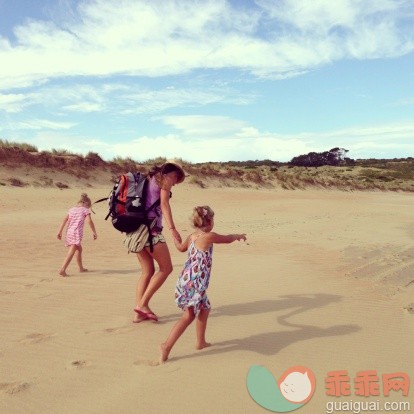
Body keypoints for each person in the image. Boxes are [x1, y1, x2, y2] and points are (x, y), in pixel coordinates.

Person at [160, 205, 246, 363]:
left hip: (187, 280)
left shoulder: (192, 236)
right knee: (189, 315)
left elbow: (180, 248)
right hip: (194, 283)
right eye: (213, 219)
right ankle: (166, 345)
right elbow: (226, 239)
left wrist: (176, 238)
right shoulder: (209, 236)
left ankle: (200, 342)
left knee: (205, 308)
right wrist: (238, 235)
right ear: (209, 221)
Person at [133, 160, 186, 323]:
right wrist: (172, 229)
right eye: (177, 178)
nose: (175, 183)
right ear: (174, 173)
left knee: (147, 271)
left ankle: (138, 313)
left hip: (135, 228)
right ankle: (142, 305)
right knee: (166, 268)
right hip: (151, 229)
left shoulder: (149, 177)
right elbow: (164, 204)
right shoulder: (166, 179)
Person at [57, 193, 97, 276]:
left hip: (69, 232)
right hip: (76, 233)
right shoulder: (85, 210)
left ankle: (81, 268)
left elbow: (64, 220)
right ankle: (62, 269)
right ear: (86, 204)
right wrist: (94, 232)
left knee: (79, 249)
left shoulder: (71, 209)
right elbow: (89, 221)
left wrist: (60, 231)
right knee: (72, 251)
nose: (88, 208)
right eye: (89, 206)